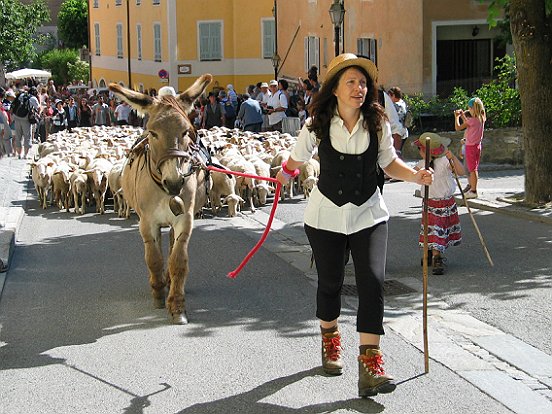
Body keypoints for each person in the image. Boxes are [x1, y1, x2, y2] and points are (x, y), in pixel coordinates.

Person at [275, 53, 433, 398]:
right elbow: (297, 159)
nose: (359, 88)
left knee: (372, 284)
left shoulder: (377, 123)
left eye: (363, 83)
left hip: (369, 215)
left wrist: (415, 176)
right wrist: (283, 174)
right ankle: (331, 340)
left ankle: (370, 366)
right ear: (334, 89)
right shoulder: (316, 124)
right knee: (330, 283)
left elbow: (390, 163)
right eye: (351, 82)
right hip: (325, 217)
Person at [414, 132, 464, 275]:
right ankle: (434, 255)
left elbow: (460, 172)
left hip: (445, 203)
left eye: (420, 149)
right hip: (430, 203)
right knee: (433, 230)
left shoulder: (444, 162)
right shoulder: (422, 164)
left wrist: (452, 157)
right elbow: (410, 175)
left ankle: (433, 255)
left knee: (436, 230)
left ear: (424, 150)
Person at [454, 97, 486, 198]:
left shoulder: (472, 121)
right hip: (477, 146)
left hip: (470, 147)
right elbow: (468, 123)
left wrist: (457, 117)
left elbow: (458, 127)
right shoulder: (481, 118)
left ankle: (473, 191)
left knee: (472, 170)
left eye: (469, 108)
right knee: (473, 168)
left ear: (473, 108)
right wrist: (463, 115)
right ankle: (473, 189)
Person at [11, 86, 40, 159]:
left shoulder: (21, 95)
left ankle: (19, 154)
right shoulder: (33, 98)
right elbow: (38, 108)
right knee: (27, 136)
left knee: (18, 135)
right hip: (26, 118)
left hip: (17, 117)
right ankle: (25, 155)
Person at [388, 86, 409, 154]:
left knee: (395, 154)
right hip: (403, 132)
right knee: (397, 153)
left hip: (396, 133)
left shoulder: (395, 106)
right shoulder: (403, 103)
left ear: (393, 95)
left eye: (389, 96)